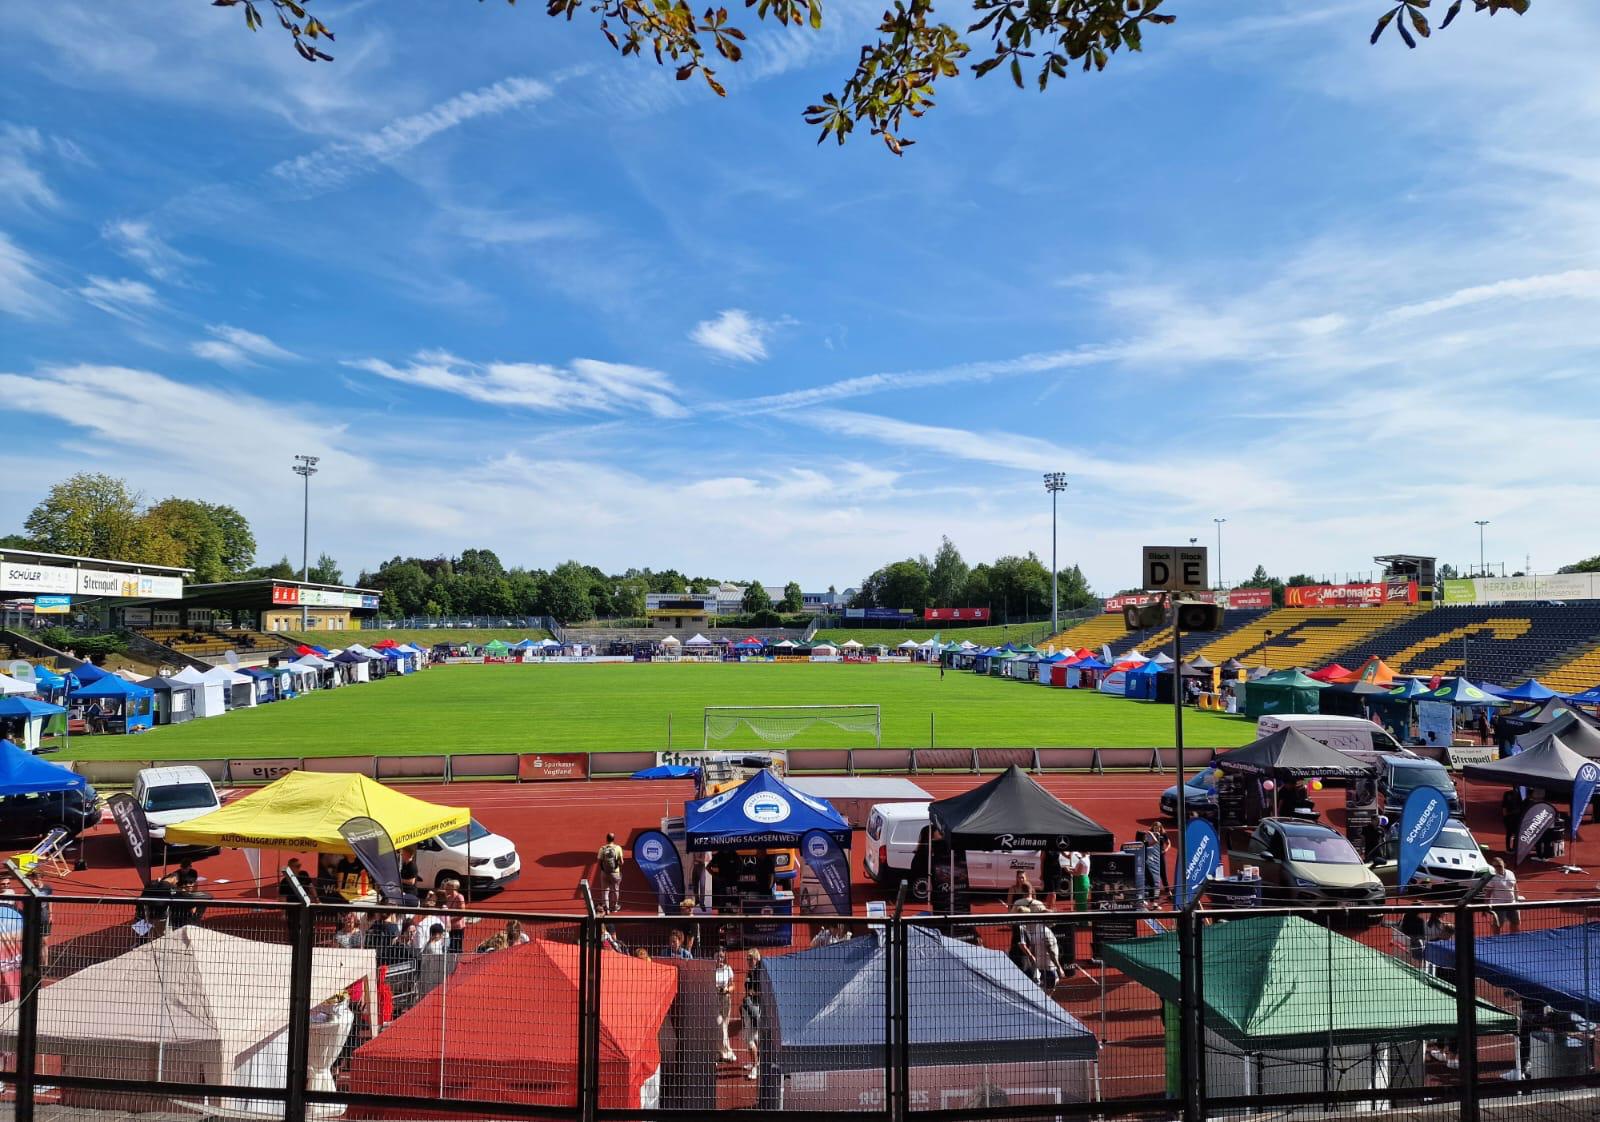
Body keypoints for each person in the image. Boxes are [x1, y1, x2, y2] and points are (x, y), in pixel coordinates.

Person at [741, 948, 764, 1079]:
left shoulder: (759, 974)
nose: (748, 961)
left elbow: (763, 993)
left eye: (751, 959)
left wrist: (753, 994)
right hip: (749, 1009)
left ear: (756, 959)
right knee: (755, 1037)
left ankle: (755, 1068)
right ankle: (756, 1062)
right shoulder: (751, 972)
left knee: (749, 1039)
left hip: (755, 1009)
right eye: (747, 959)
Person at [713, 948, 738, 1062]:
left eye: (722, 957)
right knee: (719, 1025)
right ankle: (727, 1051)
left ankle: (720, 1053)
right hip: (714, 1000)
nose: (720, 959)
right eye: (718, 956)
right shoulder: (711, 970)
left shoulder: (728, 969)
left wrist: (727, 989)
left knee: (724, 1026)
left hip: (725, 1000)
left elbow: (733, 986)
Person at [1484, 858, 1519, 932]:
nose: (1497, 868)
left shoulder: (1510, 873)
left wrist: (1517, 899)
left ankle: (1514, 938)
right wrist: (1486, 906)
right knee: (1499, 924)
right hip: (1499, 905)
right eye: (1495, 866)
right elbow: (1488, 893)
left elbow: (1515, 886)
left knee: (1515, 922)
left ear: (1504, 865)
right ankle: (1495, 939)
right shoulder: (1492, 877)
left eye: (1499, 865)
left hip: (1512, 903)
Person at [597, 833, 625, 915]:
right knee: (615, 889)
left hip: (605, 873)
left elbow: (599, 861)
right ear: (614, 839)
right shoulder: (618, 848)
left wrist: (604, 868)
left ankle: (606, 909)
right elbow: (622, 862)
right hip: (615, 873)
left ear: (607, 839)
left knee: (605, 892)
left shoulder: (602, 849)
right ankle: (614, 907)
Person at [439, 879, 467, 952]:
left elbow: (462, 913)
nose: (445, 889)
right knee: (450, 946)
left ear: (453, 888)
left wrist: (449, 920)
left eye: (447, 888)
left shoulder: (459, 897)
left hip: (457, 927)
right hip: (450, 927)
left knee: (456, 946)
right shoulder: (448, 898)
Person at [1501, 789, 1526, 854]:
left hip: (1516, 817)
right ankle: (1509, 849)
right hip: (1511, 817)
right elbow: (1504, 806)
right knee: (1510, 833)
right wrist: (1505, 816)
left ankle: (1514, 848)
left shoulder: (1522, 794)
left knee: (1515, 834)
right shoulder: (1508, 793)